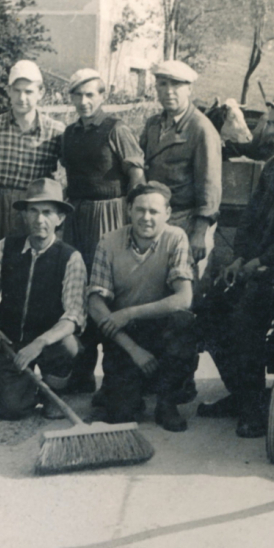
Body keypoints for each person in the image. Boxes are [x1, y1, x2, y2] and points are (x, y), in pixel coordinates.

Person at [198, 89, 274, 438]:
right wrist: (238, 259)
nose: (270, 130)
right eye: (270, 123)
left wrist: (260, 261)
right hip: (258, 267)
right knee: (210, 309)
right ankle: (244, 393)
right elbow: (250, 219)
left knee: (246, 316)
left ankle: (254, 409)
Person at [139, 60, 221, 405]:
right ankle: (155, 377)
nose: (168, 92)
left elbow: (210, 186)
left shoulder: (201, 129)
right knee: (153, 299)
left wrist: (201, 231)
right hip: (157, 222)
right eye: (162, 85)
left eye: (176, 86)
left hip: (188, 224)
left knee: (183, 308)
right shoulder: (153, 125)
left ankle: (181, 382)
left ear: (189, 90)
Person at [59, 68, 146, 394]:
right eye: (78, 95)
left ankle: (115, 380)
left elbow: (137, 175)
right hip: (77, 217)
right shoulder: (69, 134)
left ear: (102, 96)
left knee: (108, 290)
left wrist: (130, 221)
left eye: (91, 94)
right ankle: (81, 373)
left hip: (111, 214)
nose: (84, 101)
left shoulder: (116, 129)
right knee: (79, 289)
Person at [87, 182, 198, 432]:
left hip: (161, 327)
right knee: (121, 415)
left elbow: (183, 298)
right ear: (129, 210)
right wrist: (132, 348)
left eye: (154, 212)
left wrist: (128, 313)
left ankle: (167, 401)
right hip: (125, 335)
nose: (146, 218)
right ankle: (121, 390)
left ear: (167, 214)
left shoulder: (176, 237)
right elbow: (95, 302)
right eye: (140, 210)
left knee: (184, 321)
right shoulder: (109, 242)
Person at [0, 178, 85, 420]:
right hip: (12, 342)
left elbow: (73, 317)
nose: (40, 220)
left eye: (48, 212)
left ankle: (53, 393)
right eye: (33, 211)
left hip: (48, 344)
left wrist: (40, 342)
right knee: (10, 409)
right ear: (25, 215)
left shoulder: (70, 257)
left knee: (68, 345)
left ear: (60, 218)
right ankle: (23, 389)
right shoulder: (4, 247)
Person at [0, 60, 64, 246]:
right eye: (17, 90)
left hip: (32, 209)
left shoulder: (55, 132)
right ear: (9, 91)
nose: (22, 97)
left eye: (28, 91)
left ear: (40, 93)